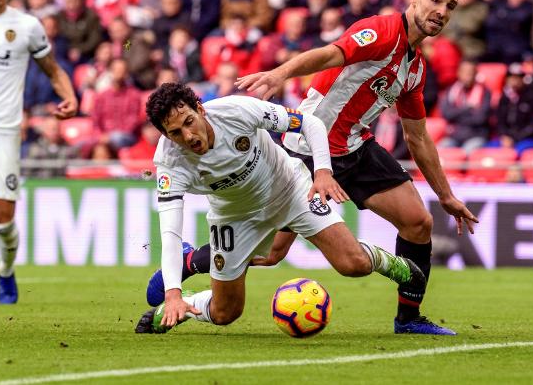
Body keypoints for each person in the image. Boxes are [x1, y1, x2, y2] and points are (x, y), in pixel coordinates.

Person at [148, 0, 475, 335]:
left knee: (419, 222)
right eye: (436, 0)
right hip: (308, 146)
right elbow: (330, 54)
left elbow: (417, 136)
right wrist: (280, 74)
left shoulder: (414, 68)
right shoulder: (383, 32)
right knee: (272, 254)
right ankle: (192, 260)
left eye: (451, 5)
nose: (442, 11)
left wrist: (445, 195)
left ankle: (409, 318)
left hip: (355, 145)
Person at [135, 83, 425, 333]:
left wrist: (323, 171)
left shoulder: (236, 111)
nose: (188, 137)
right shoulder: (170, 163)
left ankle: (393, 264)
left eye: (188, 121)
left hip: (291, 190)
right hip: (234, 217)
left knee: (355, 265)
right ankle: (178, 307)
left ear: (200, 108)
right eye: (175, 132)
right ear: (165, 135)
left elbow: (309, 124)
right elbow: (169, 231)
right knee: (225, 313)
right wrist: (172, 294)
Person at [0, 0, 78, 304]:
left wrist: (69, 96)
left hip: (4, 133)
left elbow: (52, 69)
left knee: (3, 221)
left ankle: (6, 270)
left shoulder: (26, 26)